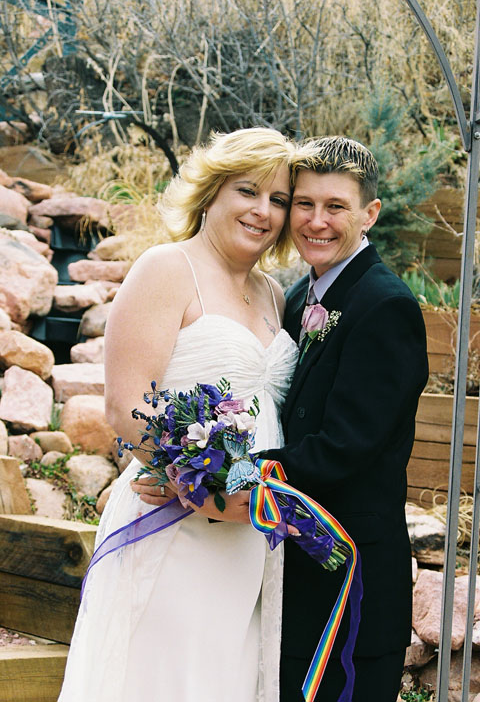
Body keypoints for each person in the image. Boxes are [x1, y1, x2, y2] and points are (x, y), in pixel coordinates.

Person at [58, 127, 314, 702]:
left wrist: (248, 496)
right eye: (248, 191)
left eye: (278, 199)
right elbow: (127, 405)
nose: (263, 211)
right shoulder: (166, 268)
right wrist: (196, 484)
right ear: (212, 190)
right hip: (174, 520)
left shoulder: (274, 294)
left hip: (250, 533)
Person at [261, 136, 429, 701]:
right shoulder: (296, 297)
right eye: (304, 204)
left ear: (369, 214)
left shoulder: (386, 306)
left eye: (335, 206)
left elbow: (344, 446)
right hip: (294, 565)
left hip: (349, 576)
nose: (316, 221)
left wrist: (235, 472)